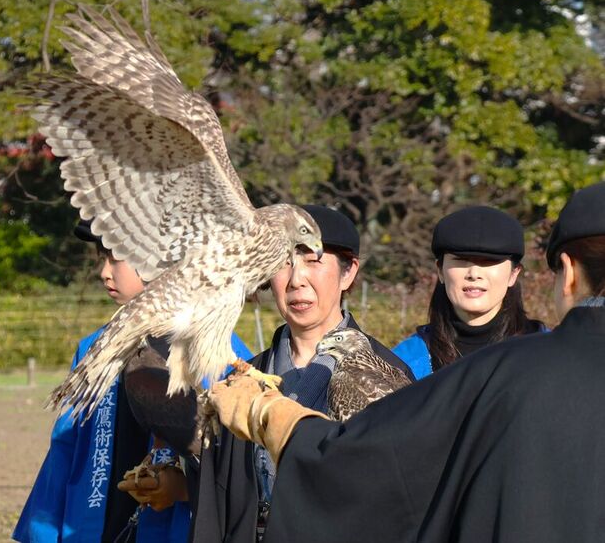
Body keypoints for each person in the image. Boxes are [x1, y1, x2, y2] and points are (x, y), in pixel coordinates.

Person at [208, 181, 605, 542]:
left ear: (567, 271)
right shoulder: (433, 357)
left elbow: (379, 461)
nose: (473, 275)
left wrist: (273, 418)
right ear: (440, 270)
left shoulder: (509, 369)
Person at [13, 220, 251, 543]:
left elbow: (240, 468)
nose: (104, 272)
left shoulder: (218, 351)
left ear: (158, 258)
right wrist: (42, 534)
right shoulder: (94, 349)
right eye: (101, 257)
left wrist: (182, 488)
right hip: (93, 528)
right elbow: (65, 447)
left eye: (115, 257)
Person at [190, 205, 414, 543]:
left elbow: (399, 495)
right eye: (284, 263)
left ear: (348, 272)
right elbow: (218, 498)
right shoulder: (246, 379)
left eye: (313, 261)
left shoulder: (387, 374)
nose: (297, 280)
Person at [394, 206, 546, 379]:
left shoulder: (550, 354)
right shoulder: (403, 363)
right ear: (440, 270)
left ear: (514, 274)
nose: (474, 274)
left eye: (489, 262)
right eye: (461, 260)